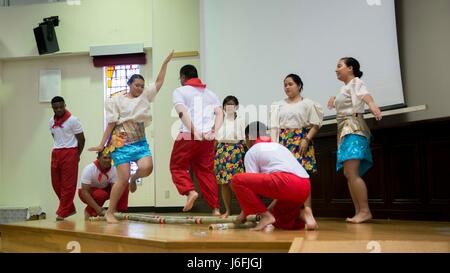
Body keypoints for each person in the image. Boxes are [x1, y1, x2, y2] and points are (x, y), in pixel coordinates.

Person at [89, 51, 173, 223]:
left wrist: (165, 63)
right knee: (122, 177)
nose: (140, 88)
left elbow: (158, 82)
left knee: (147, 167)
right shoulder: (117, 101)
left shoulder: (145, 96)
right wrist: (101, 144)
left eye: (142, 86)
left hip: (140, 142)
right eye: (137, 85)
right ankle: (110, 212)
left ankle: (135, 178)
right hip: (120, 143)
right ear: (129, 84)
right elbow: (111, 124)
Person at [327, 57, 382, 224]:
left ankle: (365, 211)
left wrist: (373, 106)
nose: (336, 70)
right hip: (344, 131)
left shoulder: (356, 82)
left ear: (350, 68)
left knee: (351, 173)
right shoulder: (344, 88)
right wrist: (334, 100)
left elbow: (365, 95)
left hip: (354, 129)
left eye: (339, 66)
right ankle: (359, 211)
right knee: (348, 173)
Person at [232, 122, 312, 231]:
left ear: (248, 137)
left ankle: (266, 217)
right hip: (304, 187)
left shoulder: (252, 151)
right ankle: (304, 214)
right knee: (279, 220)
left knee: (237, 180)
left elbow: (253, 189)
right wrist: (268, 209)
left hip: (286, 183)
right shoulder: (279, 146)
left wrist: (243, 214)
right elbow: (280, 186)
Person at [270, 74, 323, 229]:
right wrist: (275, 147)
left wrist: (306, 139)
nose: (287, 87)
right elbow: (274, 128)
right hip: (284, 142)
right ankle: (282, 213)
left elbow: (316, 124)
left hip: (301, 141)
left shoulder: (308, 103)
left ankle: (308, 212)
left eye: (290, 84)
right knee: (284, 178)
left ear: (299, 85)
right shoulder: (277, 105)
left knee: (303, 177)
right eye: (285, 84)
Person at [170, 64, 223, 216]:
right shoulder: (211, 93)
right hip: (207, 138)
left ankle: (190, 192)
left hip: (188, 134)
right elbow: (220, 114)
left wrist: (194, 131)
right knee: (206, 172)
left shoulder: (180, 91)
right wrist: (214, 131)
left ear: (183, 77)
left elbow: (182, 113)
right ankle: (216, 209)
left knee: (177, 167)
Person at [49, 96, 85, 221]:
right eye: (56, 108)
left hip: (70, 152)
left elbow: (82, 139)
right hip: (56, 152)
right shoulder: (51, 122)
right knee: (56, 184)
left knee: (68, 185)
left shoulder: (73, 120)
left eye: (61, 107)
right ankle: (69, 209)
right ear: (52, 108)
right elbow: (55, 137)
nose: (59, 109)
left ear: (65, 105)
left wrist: (77, 154)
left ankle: (63, 212)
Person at [214, 95, 246, 218]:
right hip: (221, 151)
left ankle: (245, 209)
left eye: (232, 104)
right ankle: (227, 210)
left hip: (235, 151)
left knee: (235, 182)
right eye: (227, 104)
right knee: (224, 183)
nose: (229, 106)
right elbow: (216, 139)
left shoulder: (241, 120)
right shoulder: (219, 120)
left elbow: (244, 139)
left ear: (236, 106)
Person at [78, 149, 131, 220]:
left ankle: (119, 211)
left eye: (109, 158)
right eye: (105, 157)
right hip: (87, 192)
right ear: (98, 158)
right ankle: (89, 211)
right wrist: (98, 209)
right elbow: (84, 191)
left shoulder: (113, 169)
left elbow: (115, 189)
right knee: (100, 194)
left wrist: (112, 209)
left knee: (123, 185)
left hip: (104, 190)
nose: (107, 160)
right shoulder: (89, 169)